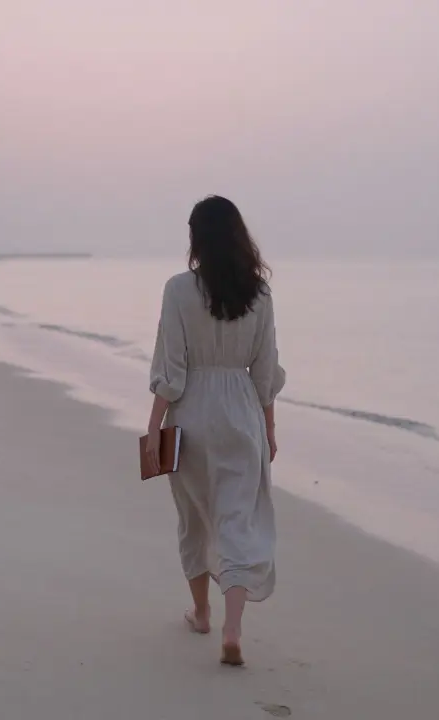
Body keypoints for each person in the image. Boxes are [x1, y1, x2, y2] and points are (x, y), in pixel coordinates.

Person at [144, 195, 285, 667]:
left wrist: (154, 422)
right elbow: (265, 371)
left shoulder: (178, 289)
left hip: (190, 413)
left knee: (195, 518)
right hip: (241, 413)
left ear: (197, 237)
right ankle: (233, 628)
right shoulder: (260, 294)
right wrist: (268, 428)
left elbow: (173, 365)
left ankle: (202, 612)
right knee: (236, 520)